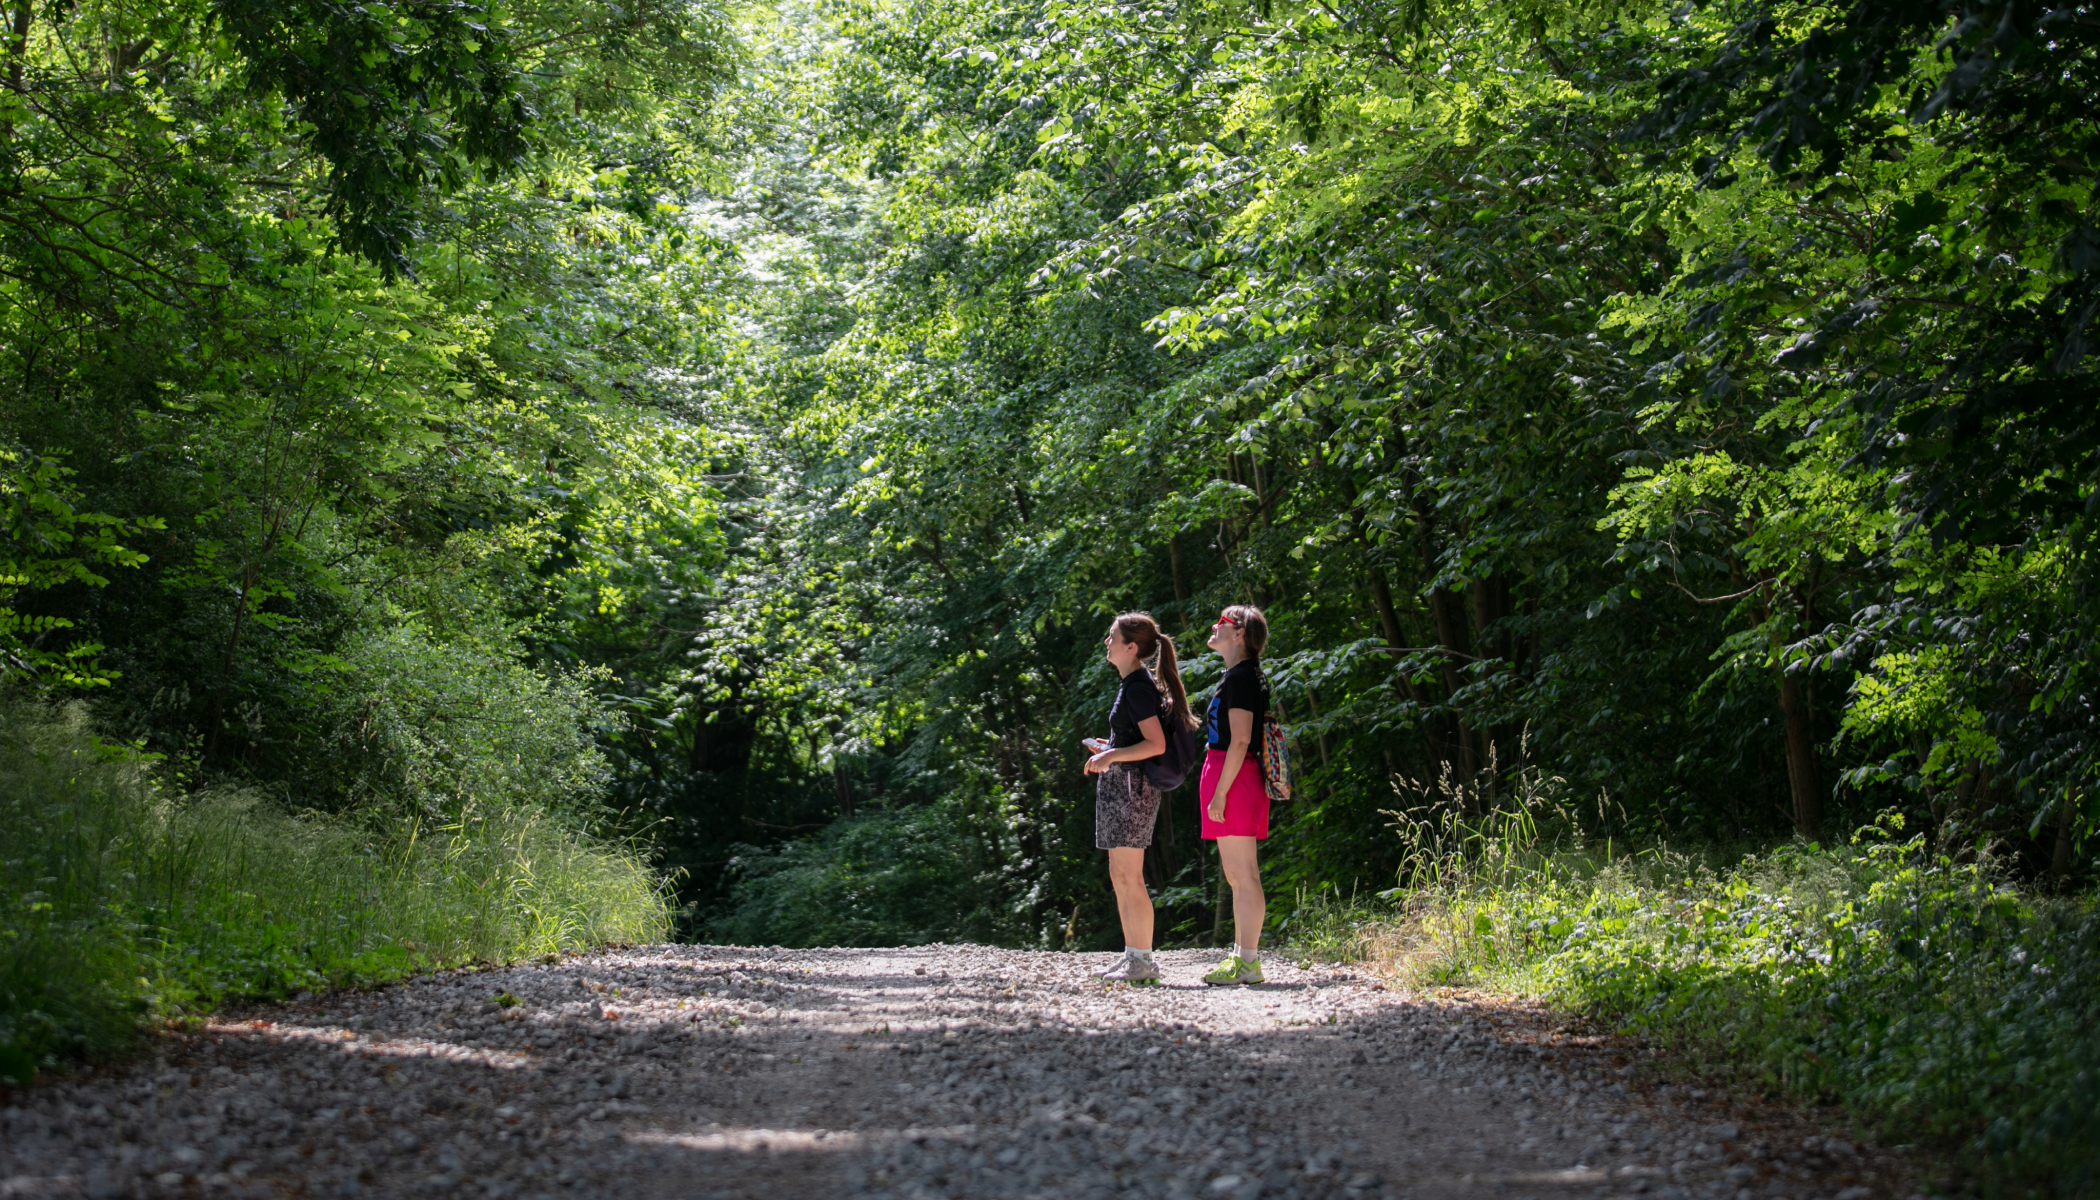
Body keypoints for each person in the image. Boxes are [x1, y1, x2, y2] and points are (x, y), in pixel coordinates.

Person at [1081, 611, 1196, 984]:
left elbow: (1156, 744)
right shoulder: (1132, 683)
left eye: (1112, 637)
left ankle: (1143, 961)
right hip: (1120, 787)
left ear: (1131, 647)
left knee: (1131, 877)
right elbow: (1136, 740)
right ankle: (1132, 956)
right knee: (1120, 875)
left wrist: (1111, 755)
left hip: (1133, 791)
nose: (1106, 642)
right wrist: (1110, 747)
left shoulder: (1138, 687)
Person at [1199, 604, 1270, 985]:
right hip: (1230, 775)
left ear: (1239, 633)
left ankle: (1248, 962)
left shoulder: (1242, 677)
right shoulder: (1238, 675)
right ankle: (1244, 959)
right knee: (1237, 874)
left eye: (1222, 623)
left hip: (1235, 777)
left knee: (1243, 875)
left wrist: (1221, 792)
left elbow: (1241, 739)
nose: (1214, 626)